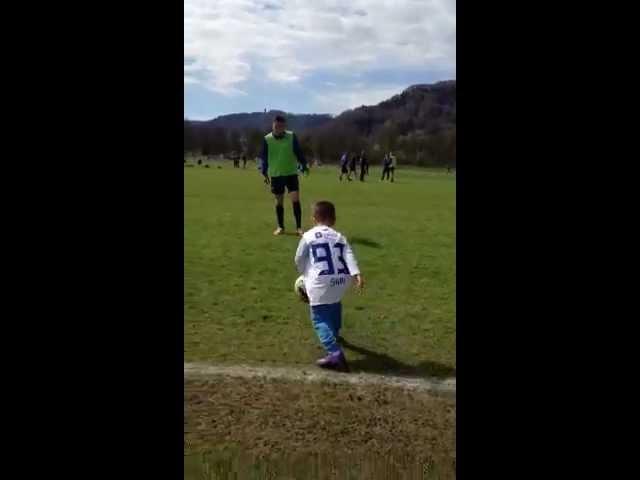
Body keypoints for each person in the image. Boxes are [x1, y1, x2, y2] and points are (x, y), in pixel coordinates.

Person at [294, 201, 364, 372]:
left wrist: (304, 275)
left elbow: (299, 258)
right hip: (342, 281)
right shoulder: (340, 236)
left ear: (313, 219)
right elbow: (349, 255)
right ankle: (336, 333)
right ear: (333, 220)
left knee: (319, 318)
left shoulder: (308, 236)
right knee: (334, 305)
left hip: (320, 283)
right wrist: (356, 274)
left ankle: (335, 354)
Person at [260, 115, 309, 236]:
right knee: (279, 201)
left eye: (281, 126)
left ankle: (298, 228)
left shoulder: (291, 136)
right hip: (276, 174)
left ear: (284, 127)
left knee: (295, 199)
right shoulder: (267, 139)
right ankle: (281, 227)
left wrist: (304, 164)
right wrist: (264, 171)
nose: (278, 128)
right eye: (276, 126)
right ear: (273, 125)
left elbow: (298, 152)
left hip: (291, 173)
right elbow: (264, 157)